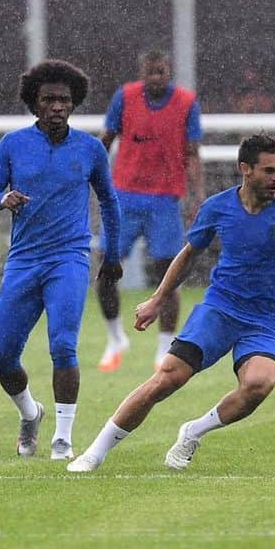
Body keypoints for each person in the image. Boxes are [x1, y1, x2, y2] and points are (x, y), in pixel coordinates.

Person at [68, 132, 275, 473]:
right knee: (167, 379)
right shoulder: (219, 207)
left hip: (264, 321)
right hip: (219, 311)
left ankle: (194, 431)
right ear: (245, 169)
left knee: (258, 385)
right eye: (269, 171)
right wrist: (157, 301)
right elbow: (188, 255)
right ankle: (95, 453)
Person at [0, 59, 122, 459]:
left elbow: (109, 201)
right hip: (24, 261)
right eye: (49, 99)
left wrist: (111, 253)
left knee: (63, 345)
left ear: (73, 104)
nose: (57, 106)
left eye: (64, 100)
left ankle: (63, 437)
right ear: (35, 104)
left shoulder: (90, 149)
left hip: (69, 258)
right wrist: (2, 199)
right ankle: (30, 413)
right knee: (2, 354)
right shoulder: (13, 145)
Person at [95, 50, 204, 373]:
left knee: (168, 274)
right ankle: (116, 338)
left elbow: (193, 152)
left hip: (164, 199)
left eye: (161, 72)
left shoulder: (186, 103)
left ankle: (164, 346)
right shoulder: (126, 97)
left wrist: (199, 196)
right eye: (150, 72)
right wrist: (86, 174)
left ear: (169, 71)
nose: (156, 78)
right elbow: (106, 139)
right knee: (107, 270)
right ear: (142, 72)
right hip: (124, 197)